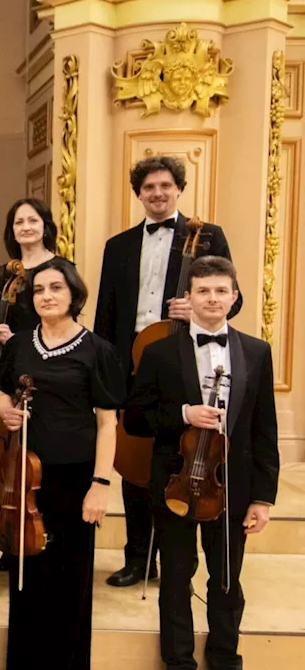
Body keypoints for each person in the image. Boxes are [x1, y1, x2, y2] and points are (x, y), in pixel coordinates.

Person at [124, 256, 278, 670]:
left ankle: (225, 658)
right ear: (188, 298)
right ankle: (178, 662)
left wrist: (263, 498)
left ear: (235, 296)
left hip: (233, 486)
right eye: (203, 291)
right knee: (175, 576)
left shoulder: (257, 352)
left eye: (220, 291)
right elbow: (135, 419)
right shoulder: (158, 352)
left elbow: (266, 431)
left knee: (226, 579)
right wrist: (183, 414)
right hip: (175, 482)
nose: (212, 298)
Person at [95, 156, 241, 589]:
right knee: (136, 460)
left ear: (179, 188)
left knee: (182, 456)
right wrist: (106, 370)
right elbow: (106, 313)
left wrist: (193, 308)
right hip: (134, 362)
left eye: (165, 185)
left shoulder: (208, 236)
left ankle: (179, 561)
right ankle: (139, 558)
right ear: (138, 194)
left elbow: (236, 300)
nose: (157, 193)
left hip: (186, 359)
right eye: (148, 188)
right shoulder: (117, 245)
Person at [0, 258, 123, 670]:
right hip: (26, 476)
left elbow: (107, 422)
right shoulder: (18, 345)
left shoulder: (97, 350)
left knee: (69, 582)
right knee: (25, 579)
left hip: (75, 477)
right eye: (39, 290)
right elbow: (1, 393)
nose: (46, 296)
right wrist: (7, 412)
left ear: (74, 295)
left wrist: (100, 485)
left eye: (56, 288)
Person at [0, 198, 60, 346]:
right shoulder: (3, 274)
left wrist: (16, 340)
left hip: (50, 356)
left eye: (33, 221)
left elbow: (65, 326)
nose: (26, 227)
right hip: (9, 360)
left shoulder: (61, 269)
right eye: (19, 222)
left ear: (45, 227)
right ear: (12, 231)